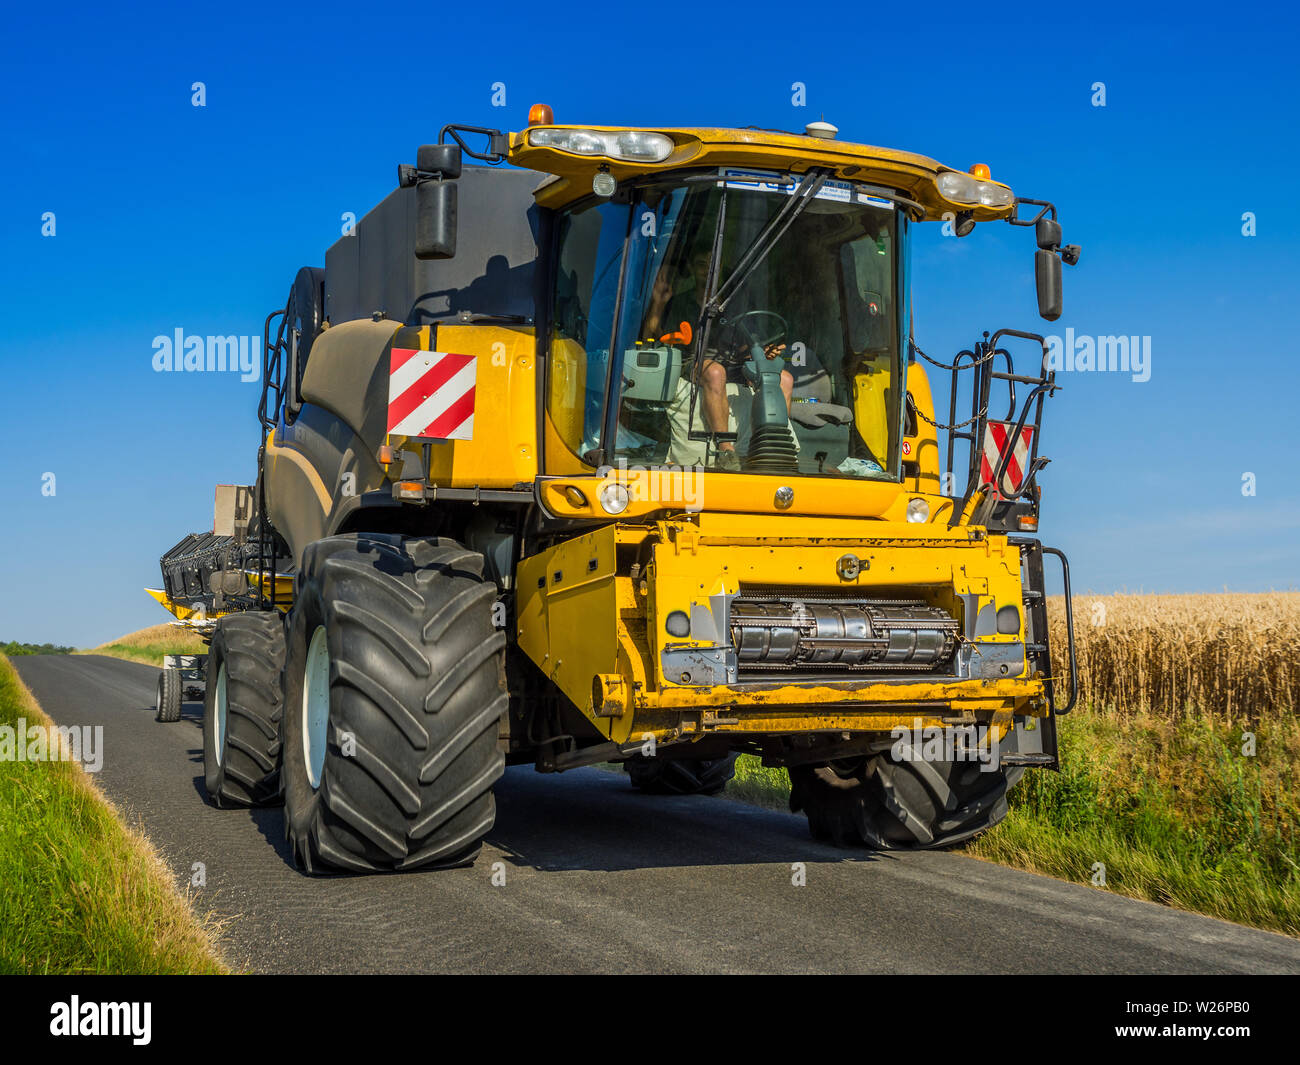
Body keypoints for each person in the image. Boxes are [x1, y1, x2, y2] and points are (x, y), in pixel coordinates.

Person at [643, 248, 792, 471]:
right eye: (702, 263)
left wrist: (763, 352)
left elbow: (747, 344)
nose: (708, 269)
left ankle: (774, 446)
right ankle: (726, 450)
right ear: (693, 269)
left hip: (736, 363)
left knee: (785, 379)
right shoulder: (682, 303)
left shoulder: (736, 306)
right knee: (715, 372)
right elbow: (658, 336)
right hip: (694, 361)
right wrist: (658, 303)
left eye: (713, 264)